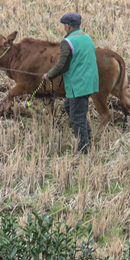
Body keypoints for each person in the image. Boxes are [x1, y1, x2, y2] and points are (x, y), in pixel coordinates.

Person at [44, 13, 100, 154]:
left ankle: (84, 148)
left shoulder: (67, 42)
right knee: (69, 106)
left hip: (78, 84)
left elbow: (62, 65)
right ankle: (88, 134)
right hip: (89, 81)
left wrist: (49, 75)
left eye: (64, 25)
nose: (64, 28)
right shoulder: (86, 37)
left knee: (77, 117)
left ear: (68, 26)